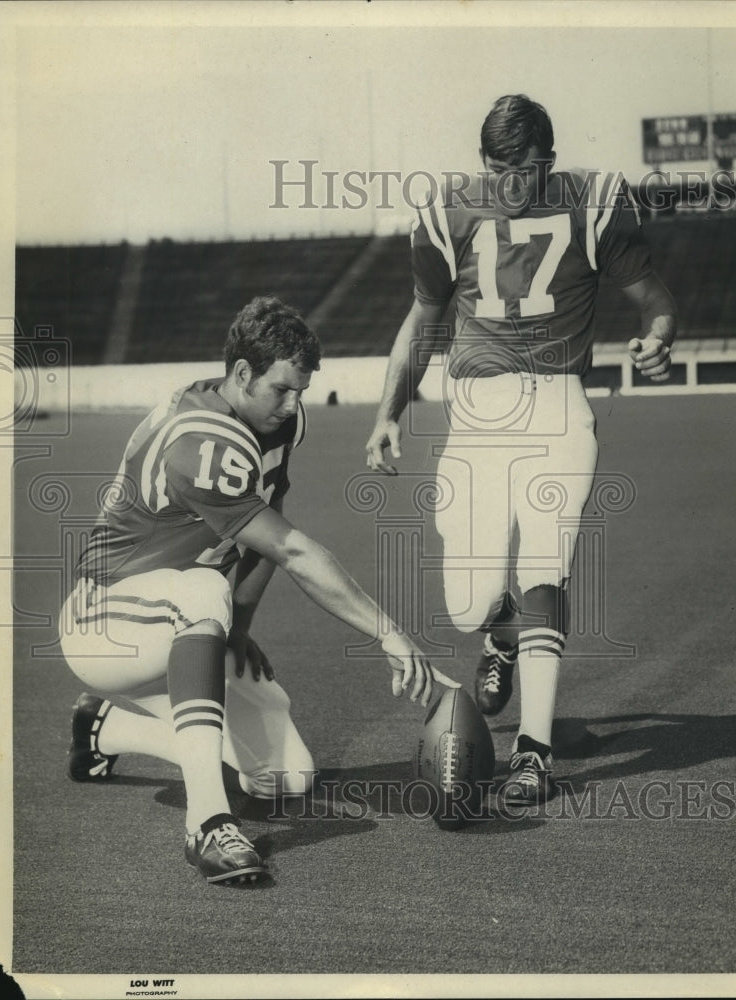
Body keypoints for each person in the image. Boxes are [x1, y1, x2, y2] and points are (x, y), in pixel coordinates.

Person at [60, 295, 457, 886]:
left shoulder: (274, 417)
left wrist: (239, 628)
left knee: (284, 779)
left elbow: (272, 509)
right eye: (282, 389)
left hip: (173, 621)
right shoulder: (201, 440)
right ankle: (207, 824)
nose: (295, 404)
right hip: (105, 622)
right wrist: (389, 633)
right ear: (241, 374)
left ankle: (107, 728)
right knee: (201, 592)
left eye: (302, 388)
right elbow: (291, 548)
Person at [366, 94, 677, 806]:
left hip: (558, 403)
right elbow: (422, 320)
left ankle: (533, 752)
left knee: (546, 569)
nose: (514, 185)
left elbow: (655, 299)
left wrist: (659, 337)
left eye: (530, 170)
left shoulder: (594, 202)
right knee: (467, 607)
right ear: (483, 163)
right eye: (501, 170)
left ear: (552, 163)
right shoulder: (446, 210)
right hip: (474, 413)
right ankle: (502, 636)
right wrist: (389, 413)